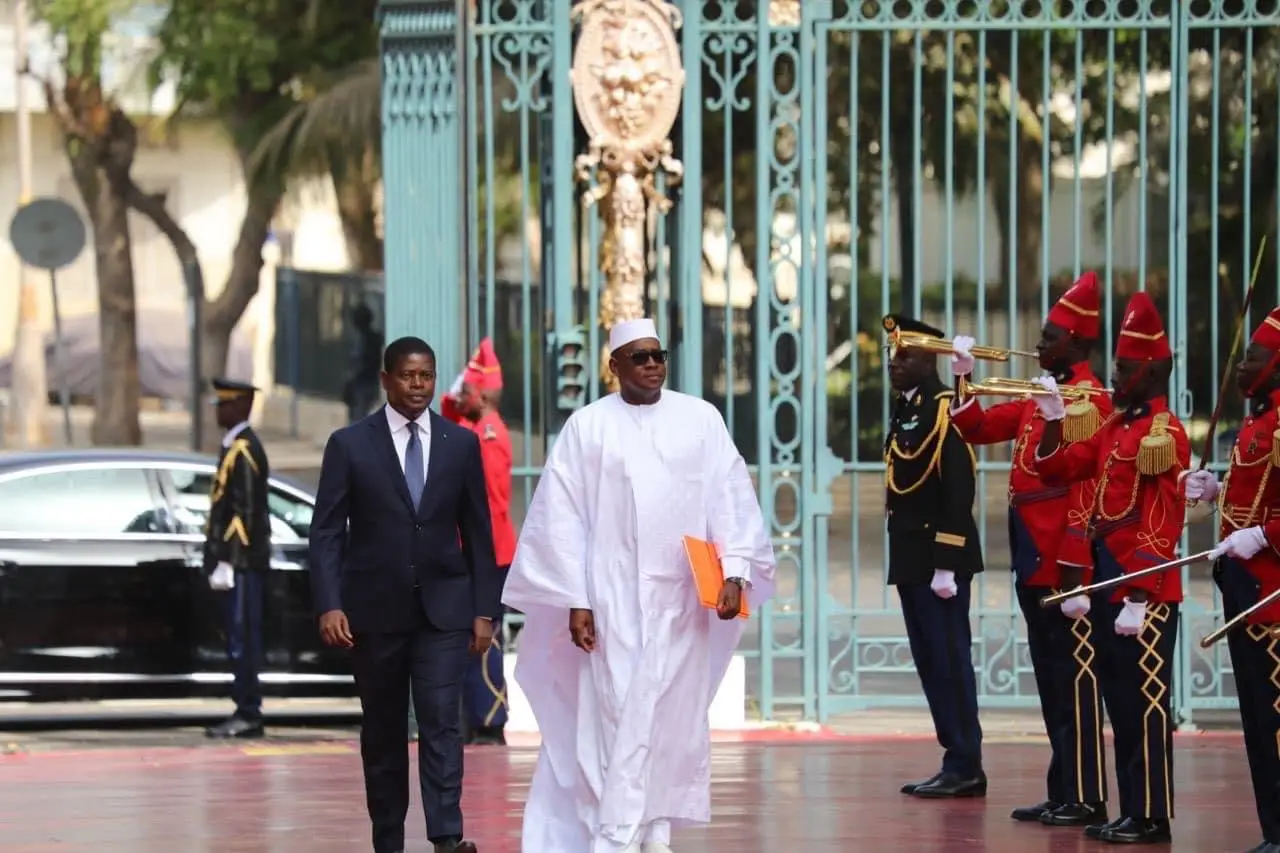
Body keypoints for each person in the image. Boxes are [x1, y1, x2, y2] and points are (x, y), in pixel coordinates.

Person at [502, 318, 776, 853]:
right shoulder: (588, 427)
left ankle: (653, 829)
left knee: (670, 718)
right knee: (617, 708)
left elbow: (731, 496)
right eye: (639, 356)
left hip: (682, 602)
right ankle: (616, 832)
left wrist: (737, 572)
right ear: (615, 366)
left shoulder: (700, 419)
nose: (652, 364)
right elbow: (563, 517)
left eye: (658, 355)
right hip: (612, 598)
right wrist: (576, 600)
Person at [309, 335, 502, 853]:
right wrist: (330, 602)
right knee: (385, 732)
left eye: (427, 376)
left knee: (442, 723)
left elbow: (479, 532)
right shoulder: (350, 444)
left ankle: (446, 837)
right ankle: (388, 839)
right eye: (408, 376)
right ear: (387, 380)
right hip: (374, 615)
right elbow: (326, 532)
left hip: (445, 612)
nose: (418, 386)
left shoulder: (459, 444)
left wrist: (485, 610)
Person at [947, 273, 1112, 827]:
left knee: (1076, 680)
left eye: (1050, 337)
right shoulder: (1040, 390)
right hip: (1030, 554)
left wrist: (1074, 560)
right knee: (1050, 676)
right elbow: (977, 427)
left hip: (1065, 560)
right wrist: (965, 379)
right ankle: (1063, 786)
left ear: (1078, 345)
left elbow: (1085, 487)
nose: (1039, 345)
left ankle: (1086, 793)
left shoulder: (1090, 401)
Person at [1032, 291, 1189, 845]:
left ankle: (1152, 815)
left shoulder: (1161, 434)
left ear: (1150, 371)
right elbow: (1059, 468)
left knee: (1145, 705)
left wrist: (1141, 595)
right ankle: (1131, 808)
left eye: (1125, 369)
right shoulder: (1116, 426)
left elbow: (1163, 520)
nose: (1116, 377)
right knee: (1119, 705)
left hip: (1139, 588)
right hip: (1107, 582)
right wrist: (1053, 420)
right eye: (1117, 367)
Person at [1180, 305, 1280, 853]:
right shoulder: (1257, 421)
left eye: (1254, 357)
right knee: (1257, 719)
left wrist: (1264, 536)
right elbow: (1258, 493)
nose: (1242, 367)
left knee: (1274, 719)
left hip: (1270, 596)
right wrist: (1217, 492)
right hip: (1241, 582)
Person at [881, 314, 987, 799]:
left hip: (938, 559)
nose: (894, 363)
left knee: (949, 660)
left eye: (906, 355)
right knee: (930, 662)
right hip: (910, 555)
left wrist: (947, 561)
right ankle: (955, 757)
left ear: (932, 360)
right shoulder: (907, 410)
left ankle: (966, 761)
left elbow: (958, 488)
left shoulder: (947, 408)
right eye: (893, 354)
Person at [440, 338, 519, 746]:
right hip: (476, 554)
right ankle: (475, 716)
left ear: (483, 395)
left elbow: (486, 506)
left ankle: (489, 716)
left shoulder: (487, 437)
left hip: (487, 555)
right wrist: (457, 394)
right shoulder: (475, 428)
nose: (460, 397)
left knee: (484, 640)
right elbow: (448, 413)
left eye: (467, 391)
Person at [203, 378, 272, 740]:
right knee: (237, 638)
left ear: (242, 406)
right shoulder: (234, 446)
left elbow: (244, 515)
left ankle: (249, 713)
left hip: (243, 565)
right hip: (237, 563)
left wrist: (229, 560)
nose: (219, 410)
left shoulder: (244, 450)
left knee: (244, 639)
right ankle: (243, 708)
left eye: (225, 404)